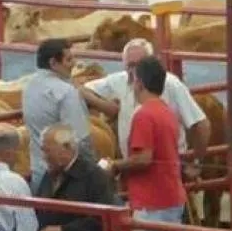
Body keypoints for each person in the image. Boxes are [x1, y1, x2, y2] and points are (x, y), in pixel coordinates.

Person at [107, 56, 190, 231]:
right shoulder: (166, 111)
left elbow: (143, 158)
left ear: (138, 82)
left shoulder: (143, 115)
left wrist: (115, 166)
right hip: (172, 194)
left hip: (151, 198)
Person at [82, 38, 211, 168]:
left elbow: (144, 159)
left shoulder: (168, 89)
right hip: (141, 168)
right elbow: (82, 89)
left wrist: (196, 163)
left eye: (139, 65)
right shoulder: (121, 82)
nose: (134, 72)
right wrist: (106, 106)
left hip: (156, 168)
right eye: (130, 66)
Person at [32, 123, 116, 231]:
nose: (44, 157)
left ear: (67, 148)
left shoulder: (94, 176)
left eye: (48, 151)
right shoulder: (51, 173)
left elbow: (103, 219)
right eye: (43, 151)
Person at [22, 38, 95, 192]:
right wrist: (95, 173)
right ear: (53, 63)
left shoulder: (28, 87)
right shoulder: (66, 92)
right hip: (67, 178)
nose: (74, 63)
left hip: (38, 171)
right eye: (68, 60)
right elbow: (81, 140)